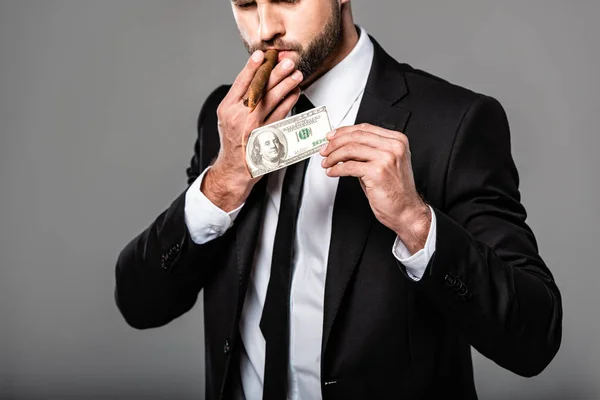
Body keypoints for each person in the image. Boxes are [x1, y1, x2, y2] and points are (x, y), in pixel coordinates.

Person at [114, 0, 563, 399]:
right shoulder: (229, 117)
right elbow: (139, 303)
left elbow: (534, 339)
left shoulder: (454, 123)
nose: (265, 27)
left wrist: (414, 221)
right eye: (246, 3)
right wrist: (222, 183)